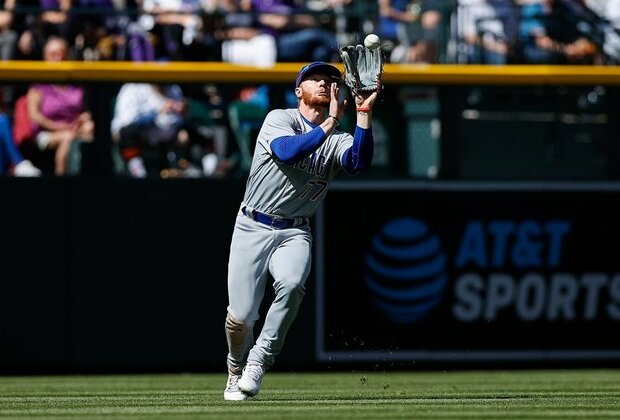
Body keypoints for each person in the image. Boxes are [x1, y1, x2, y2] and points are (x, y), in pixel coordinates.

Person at [222, 61, 380, 400]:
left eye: (330, 81)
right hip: (253, 224)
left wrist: (363, 114)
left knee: (292, 285)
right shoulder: (279, 119)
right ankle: (235, 367)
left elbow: (358, 162)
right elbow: (287, 151)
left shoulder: (336, 137)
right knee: (241, 318)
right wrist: (333, 120)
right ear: (299, 91)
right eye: (316, 80)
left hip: (295, 231)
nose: (324, 84)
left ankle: (259, 361)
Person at [26, 36, 95, 175]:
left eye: (61, 54)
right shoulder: (38, 86)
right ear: (45, 57)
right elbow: (34, 116)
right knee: (67, 139)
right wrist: (57, 127)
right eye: (53, 55)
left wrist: (83, 120)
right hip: (46, 133)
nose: (58, 58)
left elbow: (86, 111)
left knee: (89, 129)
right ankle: (61, 185)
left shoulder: (76, 84)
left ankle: (92, 178)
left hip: (74, 129)